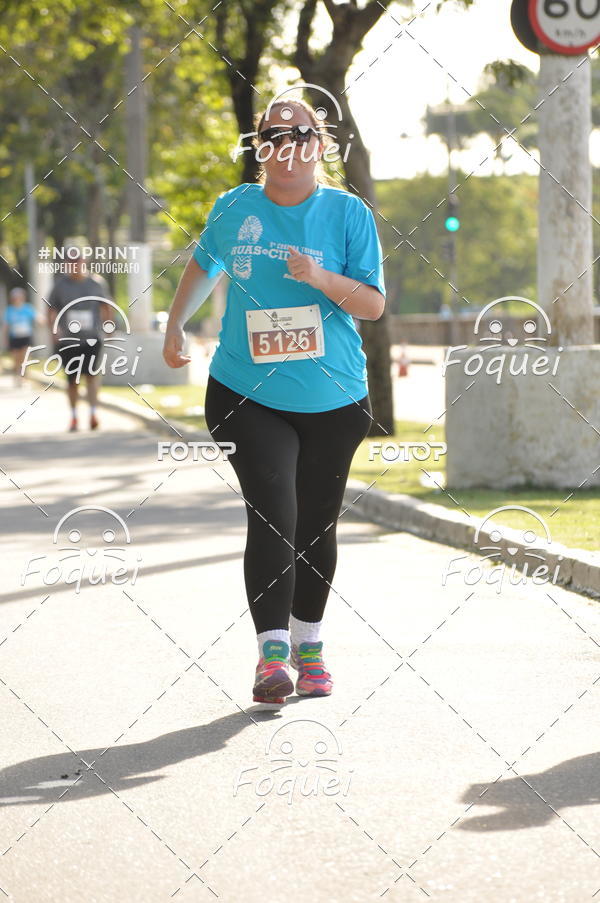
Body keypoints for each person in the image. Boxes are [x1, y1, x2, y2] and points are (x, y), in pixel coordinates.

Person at [163, 97, 386, 706]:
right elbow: (203, 263)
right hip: (245, 391)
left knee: (315, 525)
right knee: (274, 515)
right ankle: (273, 657)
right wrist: (175, 323)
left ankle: (310, 648)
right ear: (259, 145)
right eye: (273, 133)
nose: (287, 142)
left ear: (321, 143)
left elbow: (371, 304)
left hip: (334, 395)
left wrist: (320, 278)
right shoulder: (235, 207)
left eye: (301, 132)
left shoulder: (347, 213)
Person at [47, 249, 112, 432]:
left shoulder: (96, 283)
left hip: (92, 338)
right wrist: (53, 330)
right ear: (67, 264)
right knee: (72, 381)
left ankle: (92, 413)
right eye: (71, 262)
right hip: (69, 340)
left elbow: (106, 306)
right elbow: (52, 309)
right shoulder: (60, 285)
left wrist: (109, 326)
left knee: (92, 376)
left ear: (84, 262)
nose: (75, 265)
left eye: (78, 261)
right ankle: (74, 416)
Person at [2, 287, 37, 387]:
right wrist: (4, 339)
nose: (17, 299)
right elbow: (5, 326)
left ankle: (25, 378)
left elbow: (36, 317)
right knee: (16, 359)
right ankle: (17, 376)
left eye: (19, 297)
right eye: (15, 297)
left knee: (26, 358)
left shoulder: (27, 308)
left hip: (26, 336)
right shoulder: (9, 310)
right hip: (14, 337)